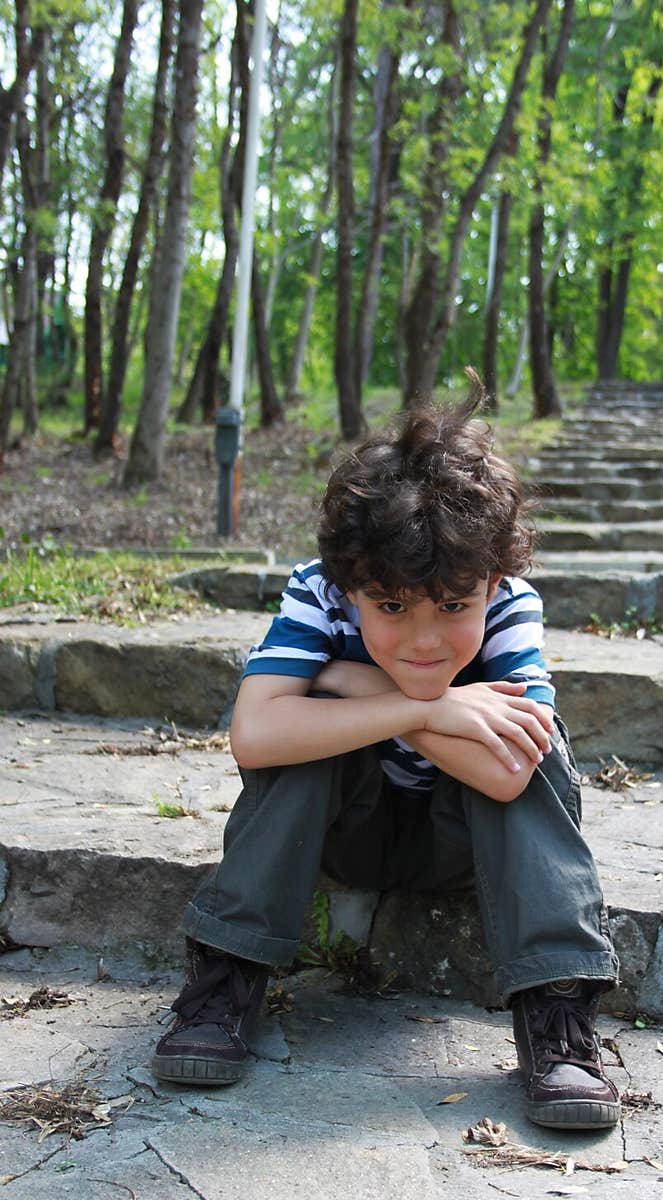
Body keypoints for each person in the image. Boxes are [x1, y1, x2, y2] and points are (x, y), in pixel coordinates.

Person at [153, 373, 620, 1129]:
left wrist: (350, 684)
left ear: (493, 581)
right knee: (308, 732)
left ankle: (555, 1010)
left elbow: (507, 777)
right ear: (352, 586)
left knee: (535, 738)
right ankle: (227, 976)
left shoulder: (511, 607)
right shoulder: (318, 591)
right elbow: (257, 732)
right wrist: (424, 704)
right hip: (341, 833)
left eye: (453, 606)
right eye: (392, 607)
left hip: (464, 842)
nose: (425, 638)